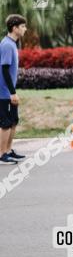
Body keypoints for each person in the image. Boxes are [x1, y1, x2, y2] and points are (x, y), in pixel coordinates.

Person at [0, 14, 28, 165]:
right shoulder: (6, 45)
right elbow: (4, 70)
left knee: (13, 121)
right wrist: (12, 93)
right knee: (5, 123)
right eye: (23, 26)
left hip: (9, 92)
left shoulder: (12, 44)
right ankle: (2, 155)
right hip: (3, 92)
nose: (25, 29)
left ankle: (9, 150)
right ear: (14, 28)